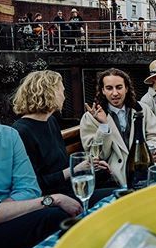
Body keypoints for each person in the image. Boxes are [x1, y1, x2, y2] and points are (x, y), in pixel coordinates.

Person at [0, 84, 81, 248]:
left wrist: (2, 210)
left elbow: (29, 189)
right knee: (55, 217)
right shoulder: (21, 130)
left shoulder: (7, 136)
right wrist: (52, 199)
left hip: (13, 220)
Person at [12, 71, 115, 199]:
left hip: (68, 188)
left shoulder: (50, 121)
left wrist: (90, 163)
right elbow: (36, 183)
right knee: (117, 196)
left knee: (119, 189)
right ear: (49, 93)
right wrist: (74, 169)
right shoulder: (21, 132)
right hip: (53, 199)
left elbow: (61, 164)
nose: (64, 97)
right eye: (62, 91)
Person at [80, 69, 156, 187]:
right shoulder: (90, 118)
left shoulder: (142, 109)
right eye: (109, 88)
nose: (115, 93)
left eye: (119, 87)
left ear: (126, 88)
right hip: (115, 177)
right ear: (103, 91)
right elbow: (98, 156)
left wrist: (154, 149)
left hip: (146, 168)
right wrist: (104, 125)